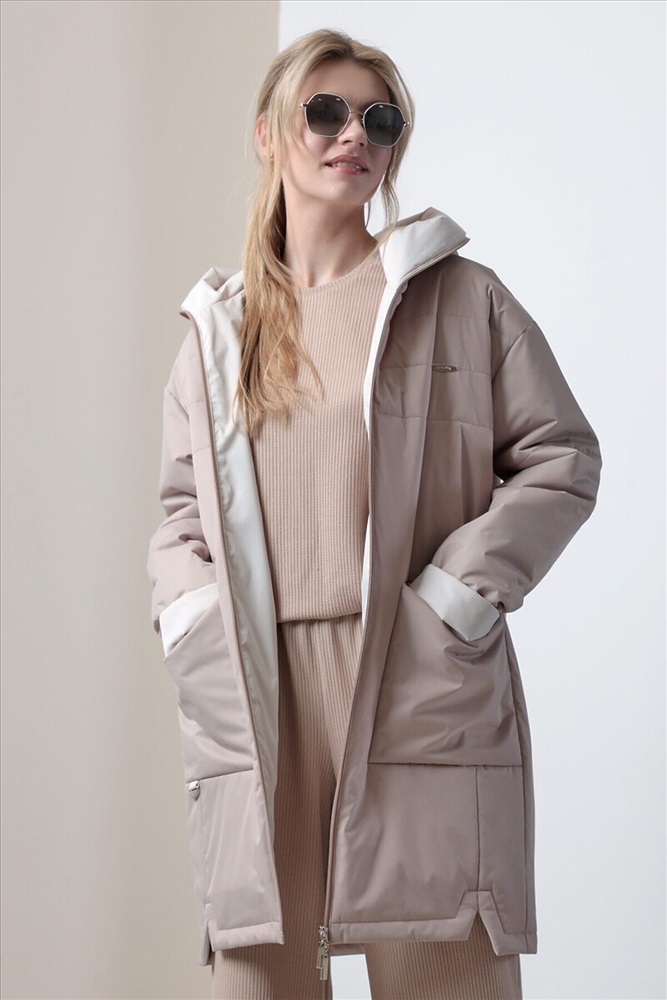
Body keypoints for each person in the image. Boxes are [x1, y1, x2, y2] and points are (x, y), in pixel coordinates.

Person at [148, 28, 601, 1000]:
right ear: (269, 132)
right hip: (264, 700)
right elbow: (180, 513)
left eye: (379, 119)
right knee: (259, 976)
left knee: (442, 974)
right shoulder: (220, 333)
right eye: (325, 111)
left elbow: (560, 456)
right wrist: (191, 618)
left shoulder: (459, 300)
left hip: (411, 678)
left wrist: (453, 601)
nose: (352, 133)